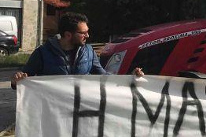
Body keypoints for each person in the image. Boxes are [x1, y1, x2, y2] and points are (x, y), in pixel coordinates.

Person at [11, 12, 144, 88]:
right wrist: (15, 81)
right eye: (83, 33)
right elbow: (23, 81)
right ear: (68, 35)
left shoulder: (89, 51)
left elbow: (104, 77)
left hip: (80, 116)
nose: (88, 36)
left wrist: (129, 78)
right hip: (54, 116)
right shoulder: (42, 53)